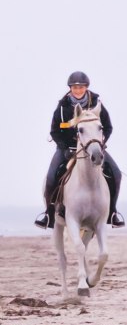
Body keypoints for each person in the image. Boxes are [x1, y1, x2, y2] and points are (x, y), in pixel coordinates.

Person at [34, 71, 124, 229]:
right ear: (70, 88)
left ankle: (112, 212)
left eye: (81, 87)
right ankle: (49, 214)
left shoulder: (97, 104)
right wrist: (64, 148)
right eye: (75, 87)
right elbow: (54, 131)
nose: (78, 90)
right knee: (51, 176)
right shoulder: (62, 107)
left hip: (93, 147)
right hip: (66, 148)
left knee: (116, 173)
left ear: (86, 87)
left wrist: (100, 144)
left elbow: (108, 127)